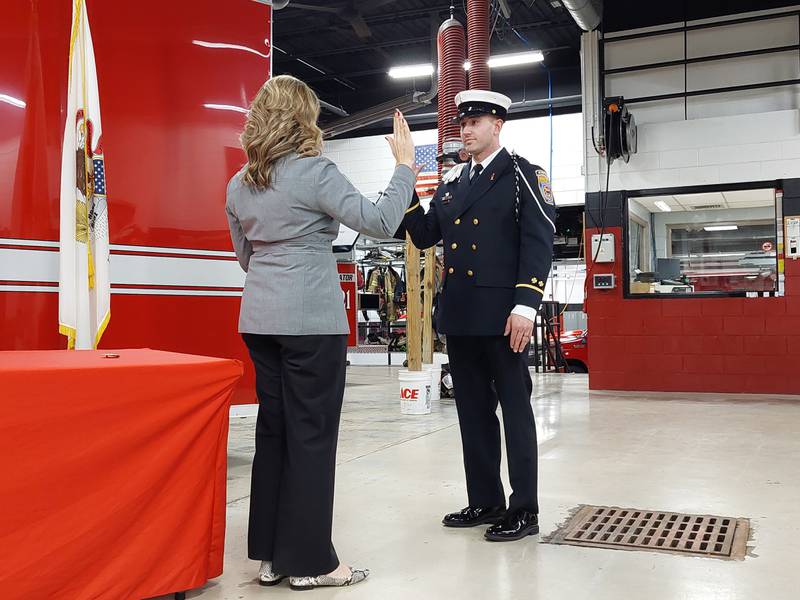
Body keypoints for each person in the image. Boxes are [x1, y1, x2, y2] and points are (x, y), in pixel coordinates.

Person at [225, 75, 417, 589]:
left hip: (260, 320)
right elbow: (379, 220)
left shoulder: (240, 184)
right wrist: (404, 168)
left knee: (276, 433)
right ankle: (313, 563)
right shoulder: (315, 173)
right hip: (311, 321)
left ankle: (271, 556)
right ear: (301, 119)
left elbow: (247, 258)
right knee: (312, 438)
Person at [396, 90, 556, 542]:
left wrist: (526, 305)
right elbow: (426, 235)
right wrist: (404, 180)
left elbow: (538, 242)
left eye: (476, 122)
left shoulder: (524, 175)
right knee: (472, 413)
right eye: (462, 124)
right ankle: (486, 500)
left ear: (497, 125)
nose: (466, 130)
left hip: (506, 317)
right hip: (462, 316)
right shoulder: (451, 183)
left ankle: (525, 509)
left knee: (515, 413)